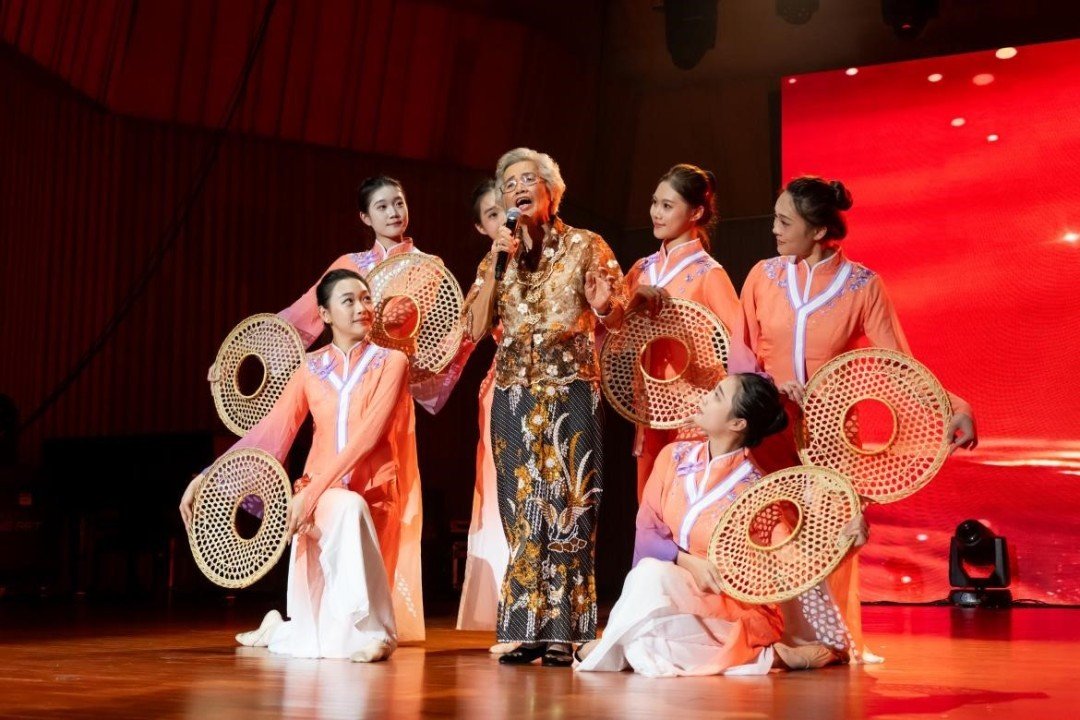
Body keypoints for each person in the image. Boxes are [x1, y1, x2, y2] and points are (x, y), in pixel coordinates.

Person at [739, 175, 978, 662]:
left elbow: (899, 366)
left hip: (830, 437)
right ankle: (772, 637)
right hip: (769, 429)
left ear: (819, 230)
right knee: (771, 531)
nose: (774, 229)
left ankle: (826, 642)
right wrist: (768, 386)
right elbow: (741, 355)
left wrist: (957, 406)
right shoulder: (763, 276)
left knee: (829, 537)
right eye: (776, 219)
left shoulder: (862, 286)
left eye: (785, 221)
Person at [181, 269, 409, 661]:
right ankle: (353, 632)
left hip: (370, 499)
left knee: (331, 646)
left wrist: (308, 495)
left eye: (366, 298)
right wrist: (206, 477)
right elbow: (272, 433)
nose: (362, 308)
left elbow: (368, 436)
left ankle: (339, 632)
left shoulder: (392, 361)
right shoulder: (309, 368)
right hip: (321, 505)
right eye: (349, 301)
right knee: (317, 641)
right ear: (325, 314)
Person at [576, 373, 860, 676]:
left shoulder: (757, 489)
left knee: (650, 626)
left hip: (732, 609)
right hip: (674, 592)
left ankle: (616, 648)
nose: (706, 398)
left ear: (737, 423)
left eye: (718, 396)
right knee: (650, 576)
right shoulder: (673, 457)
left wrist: (845, 545)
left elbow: (791, 563)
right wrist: (687, 561)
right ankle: (764, 659)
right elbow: (646, 533)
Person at [462, 147, 627, 666]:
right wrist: (498, 264)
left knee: (571, 508)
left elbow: (620, 313)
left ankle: (566, 630)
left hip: (571, 389)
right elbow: (474, 327)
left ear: (552, 192)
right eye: (509, 183)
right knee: (521, 509)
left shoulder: (586, 245)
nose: (518, 188)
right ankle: (524, 627)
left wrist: (604, 305)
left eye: (528, 179)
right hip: (514, 393)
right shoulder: (498, 255)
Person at [622, 164, 751, 501]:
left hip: (693, 408)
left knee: (684, 500)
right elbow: (612, 337)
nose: (656, 213)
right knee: (648, 502)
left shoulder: (709, 273)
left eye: (667, 206)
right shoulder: (641, 270)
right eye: (655, 202)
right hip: (647, 405)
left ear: (696, 213)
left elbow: (741, 341)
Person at [455, 179, 517, 655]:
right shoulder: (488, 265)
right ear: (481, 227)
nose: (504, 219)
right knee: (502, 496)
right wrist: (496, 265)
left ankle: (548, 610)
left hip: (554, 383)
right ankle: (507, 608)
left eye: (508, 208)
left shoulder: (557, 252)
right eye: (492, 215)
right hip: (505, 384)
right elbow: (473, 327)